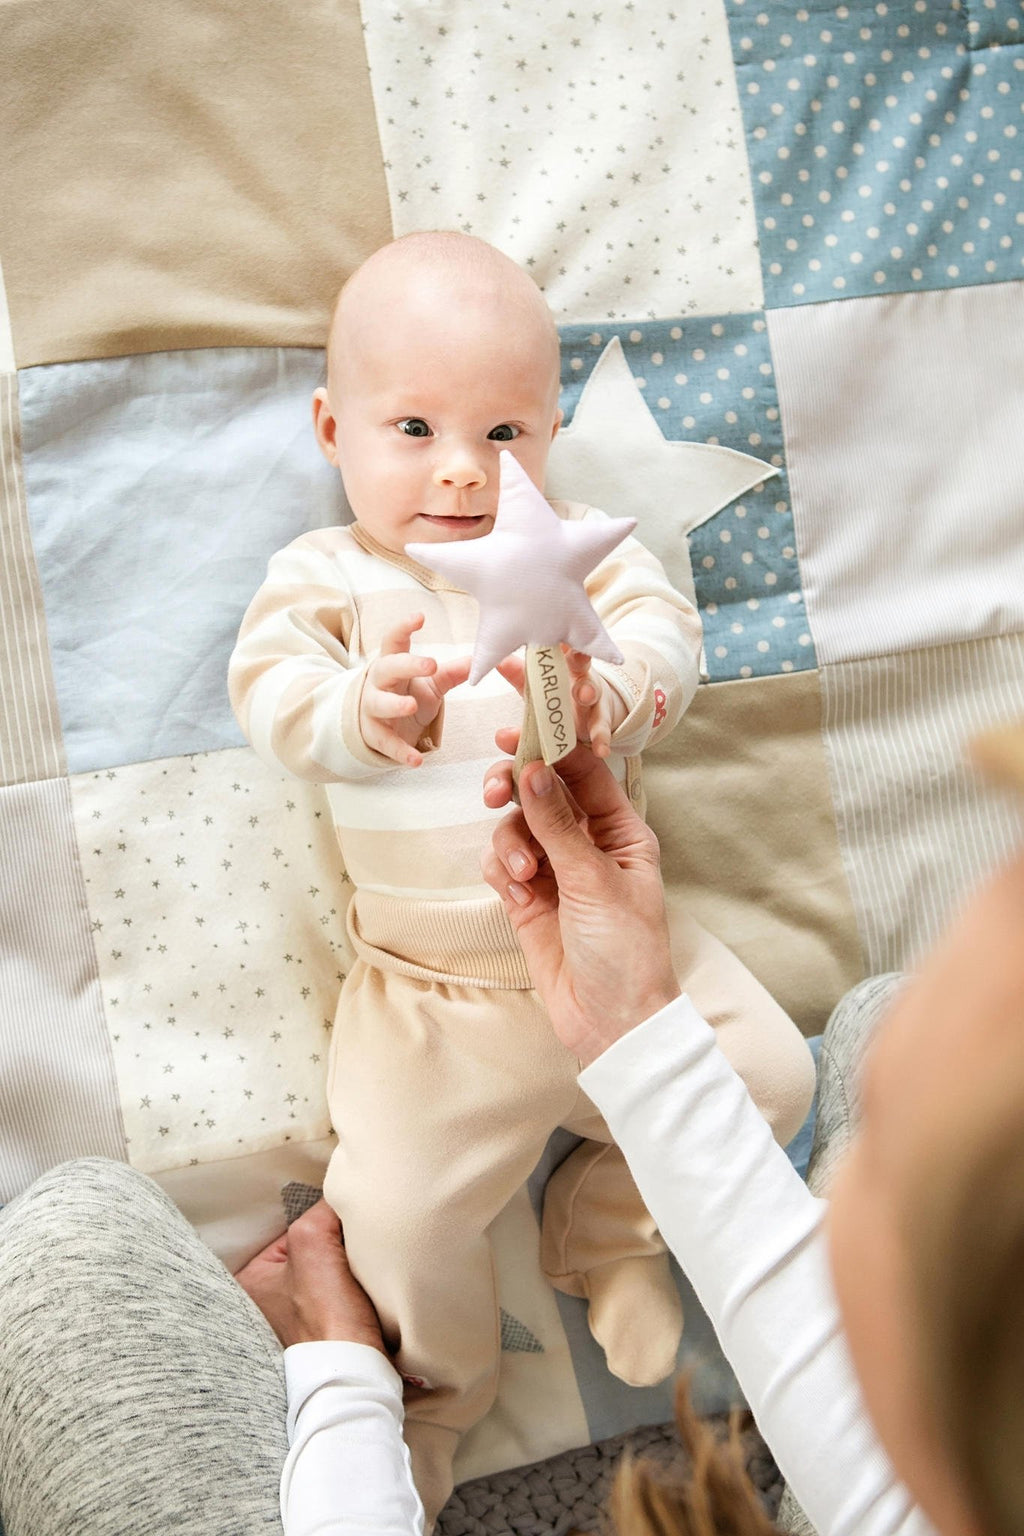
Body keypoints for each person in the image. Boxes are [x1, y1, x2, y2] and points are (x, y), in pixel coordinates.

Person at [0, 731, 1021, 1535]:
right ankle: (473, 1360)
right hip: (442, 987)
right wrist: (634, 1025)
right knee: (883, 1015)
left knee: (73, 1241)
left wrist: (343, 1381)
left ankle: (549, 1285)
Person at [226, 229, 815, 1521]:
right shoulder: (330, 577)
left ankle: (604, 1228)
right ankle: (436, 1397)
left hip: (627, 953)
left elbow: (667, 639)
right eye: (414, 428)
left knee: (776, 1075)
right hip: (434, 1001)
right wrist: (357, 711)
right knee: (392, 1210)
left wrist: (614, 692)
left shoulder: (584, 552)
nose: (462, 469)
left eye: (503, 433)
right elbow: (267, 694)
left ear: (549, 434)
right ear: (332, 431)